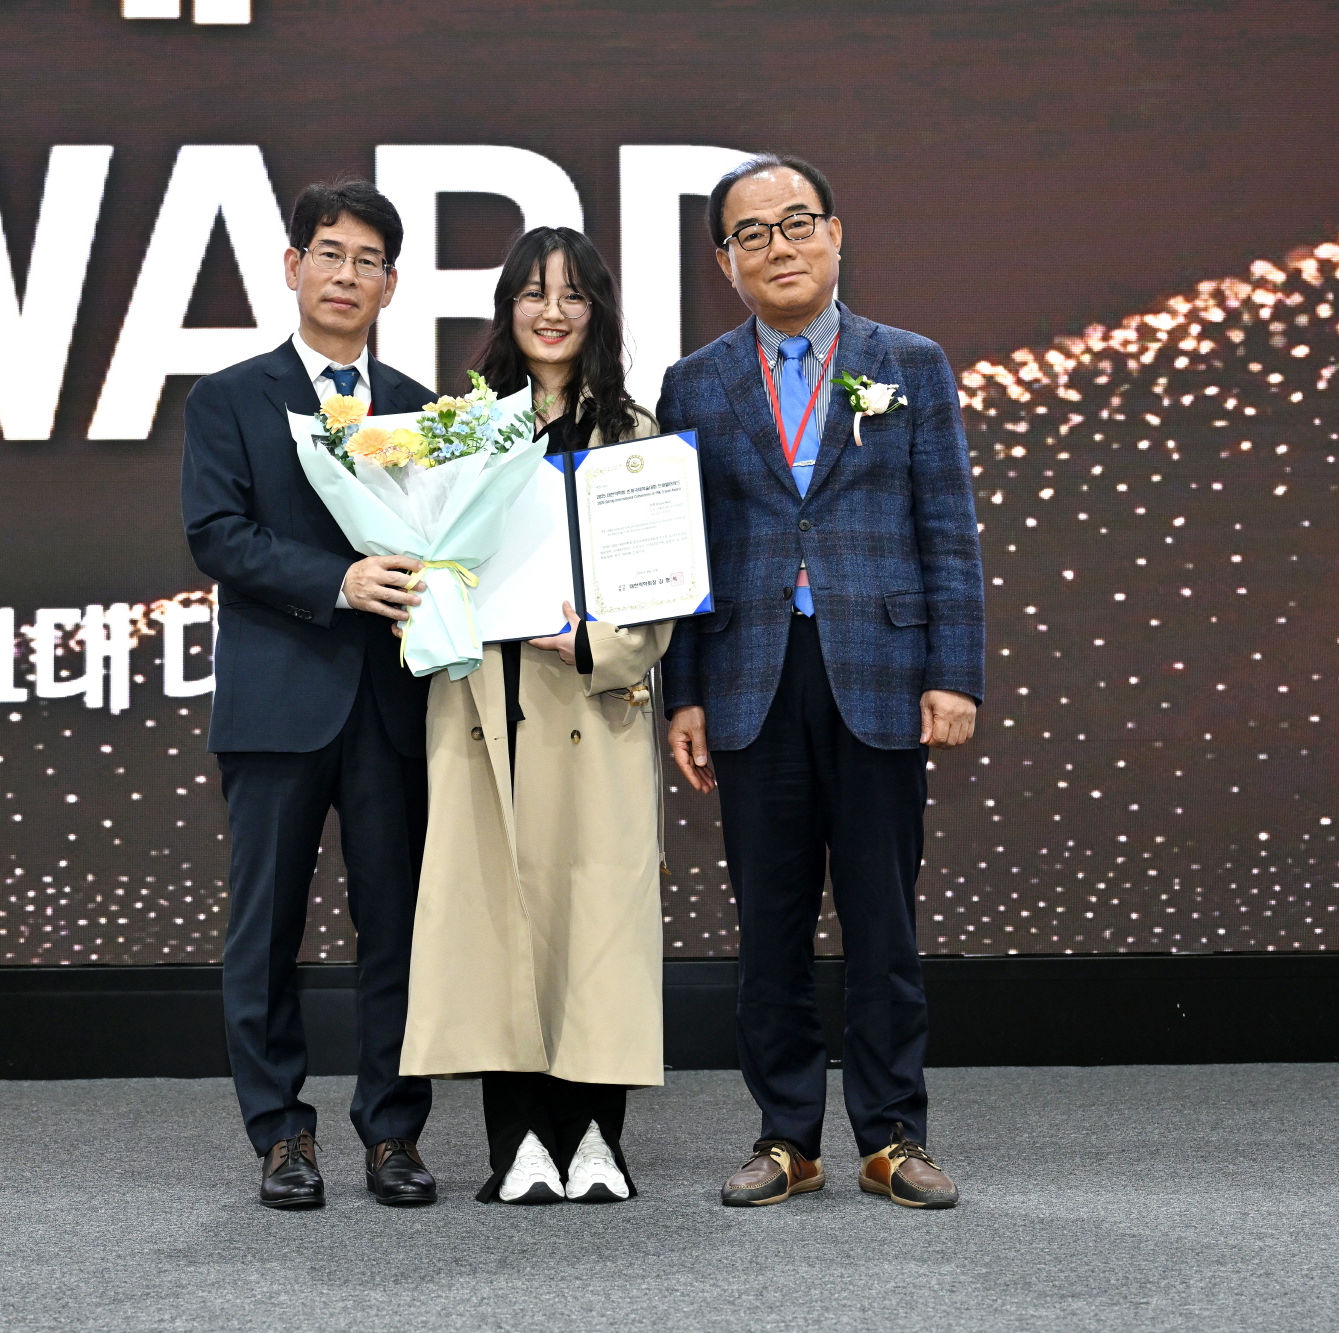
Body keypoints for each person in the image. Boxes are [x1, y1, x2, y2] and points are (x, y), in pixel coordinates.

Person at [657, 154, 986, 1209]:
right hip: (750, 677)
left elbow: (947, 528)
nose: (779, 246)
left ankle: (892, 1134)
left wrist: (954, 672)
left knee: (883, 918)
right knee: (769, 924)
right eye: (750, 233)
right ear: (725, 261)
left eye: (796, 222)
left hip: (880, 672)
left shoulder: (909, 363)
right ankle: (785, 1137)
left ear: (835, 234)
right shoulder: (694, 382)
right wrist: (683, 692)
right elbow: (684, 554)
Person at [182, 180, 442, 1210]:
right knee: (265, 930)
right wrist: (339, 581)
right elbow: (218, 535)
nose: (346, 275)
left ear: (391, 284)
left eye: (368, 260)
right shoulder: (228, 398)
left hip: (394, 708)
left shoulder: (425, 409)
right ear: (294, 266)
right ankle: (280, 1131)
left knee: (398, 929)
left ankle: (393, 1129)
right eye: (329, 253)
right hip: (276, 704)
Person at [399, 227, 670, 1204]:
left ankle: (595, 1135)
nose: (551, 312)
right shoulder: (464, 428)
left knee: (592, 918)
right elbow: (426, 557)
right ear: (506, 309)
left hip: (589, 699)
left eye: (571, 295)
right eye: (531, 293)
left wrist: (599, 642)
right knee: (497, 919)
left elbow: (659, 586)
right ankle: (515, 1137)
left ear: (597, 310)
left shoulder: (634, 433)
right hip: (484, 702)